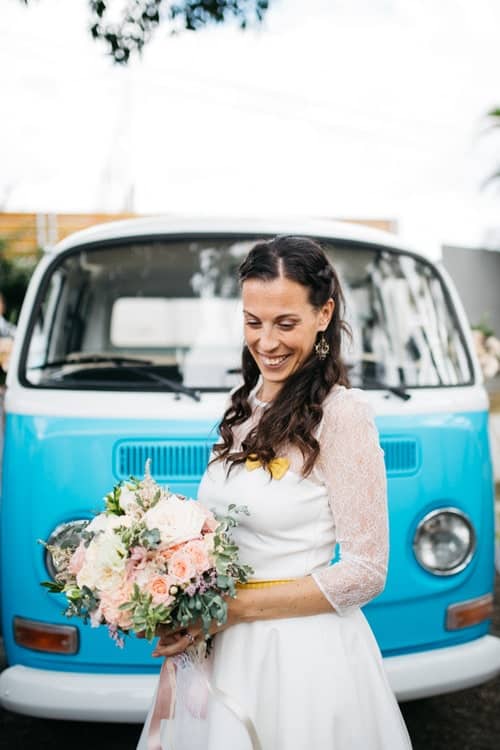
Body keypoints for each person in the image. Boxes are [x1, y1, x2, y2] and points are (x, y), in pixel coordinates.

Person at [138, 235, 412, 749]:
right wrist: (175, 599)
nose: (267, 342)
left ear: (324, 313)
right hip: (218, 650)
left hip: (300, 662)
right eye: (253, 322)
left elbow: (366, 572)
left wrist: (228, 608)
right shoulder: (240, 407)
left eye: (286, 323)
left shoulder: (344, 416)